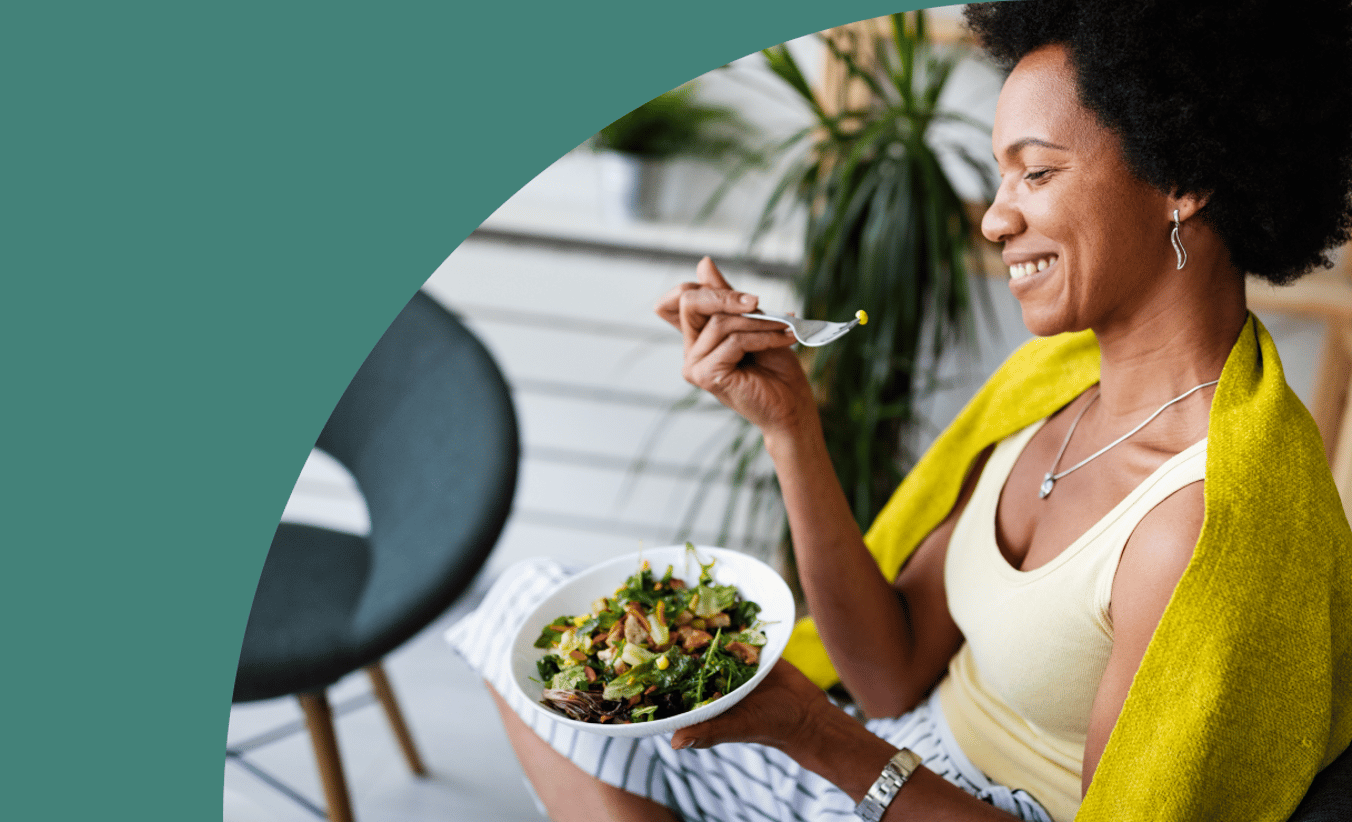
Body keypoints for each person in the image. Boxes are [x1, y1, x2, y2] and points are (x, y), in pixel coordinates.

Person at [442, 1, 1352, 820]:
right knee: (529, 611)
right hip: (898, 752)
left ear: (1183, 178)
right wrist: (789, 425)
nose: (995, 220)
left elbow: (863, 721)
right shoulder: (1056, 383)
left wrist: (812, 731)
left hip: (937, 796)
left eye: (1035, 175)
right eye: (1001, 179)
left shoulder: (1202, 520)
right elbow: (885, 671)